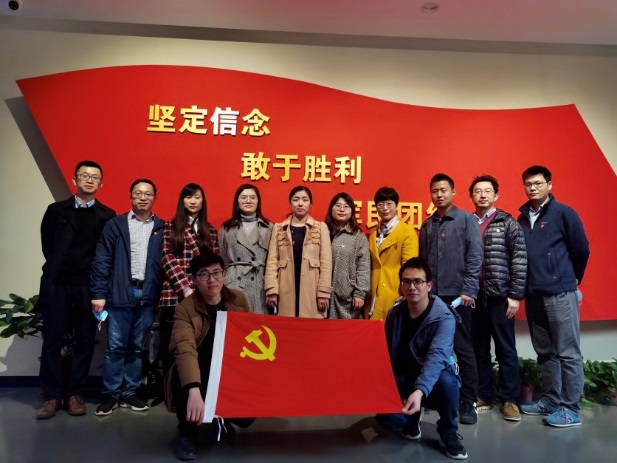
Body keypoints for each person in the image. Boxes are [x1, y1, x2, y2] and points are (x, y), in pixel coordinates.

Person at [36, 160, 115, 419]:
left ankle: (74, 394)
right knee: (53, 339)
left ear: (101, 183)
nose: (89, 180)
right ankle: (52, 395)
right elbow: (48, 246)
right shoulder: (56, 210)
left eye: (95, 177)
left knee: (84, 340)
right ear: (74, 180)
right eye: (84, 175)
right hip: (58, 283)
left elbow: (107, 253)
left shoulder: (107, 214)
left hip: (88, 284)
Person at [517, 165, 590, 427]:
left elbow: (581, 249)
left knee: (568, 353)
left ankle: (571, 409)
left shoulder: (564, 213)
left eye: (538, 183)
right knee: (545, 352)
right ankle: (550, 400)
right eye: (528, 184)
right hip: (534, 294)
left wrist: (571, 278)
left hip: (560, 293)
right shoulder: (522, 218)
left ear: (549, 185)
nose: (532, 188)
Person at [376, 257, 468, 460]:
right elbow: (387, 352)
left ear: (429, 286)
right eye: (407, 281)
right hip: (405, 375)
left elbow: (437, 357)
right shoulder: (395, 313)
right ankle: (411, 420)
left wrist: (419, 391)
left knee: (448, 381)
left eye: (418, 281)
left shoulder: (444, 317)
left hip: (434, 377)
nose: (412, 287)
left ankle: (448, 431)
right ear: (401, 285)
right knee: (389, 421)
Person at [168, 251, 253, 461]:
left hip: (226, 368)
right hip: (198, 366)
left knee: (247, 417)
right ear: (194, 279)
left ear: (224, 274)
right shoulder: (185, 309)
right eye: (204, 274)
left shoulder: (238, 299)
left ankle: (222, 416)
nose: (211, 280)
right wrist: (193, 389)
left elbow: (249, 336)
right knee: (183, 379)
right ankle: (187, 431)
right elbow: (185, 349)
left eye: (216, 273)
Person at [90, 179, 164, 416]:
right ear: (131, 196)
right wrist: (98, 294)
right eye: (138, 193)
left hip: (148, 295)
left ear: (154, 198)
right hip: (120, 293)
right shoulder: (116, 225)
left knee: (137, 348)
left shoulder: (162, 228)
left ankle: (131, 392)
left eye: (148, 194)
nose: (143, 197)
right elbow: (102, 260)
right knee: (115, 347)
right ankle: (111, 395)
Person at [419, 173, 483, 425]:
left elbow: (475, 256)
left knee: (463, 347)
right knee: (431, 348)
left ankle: (469, 401)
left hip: (459, 297)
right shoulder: (427, 225)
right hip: (432, 297)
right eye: (435, 191)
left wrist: (469, 290)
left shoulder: (466, 219)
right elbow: (423, 263)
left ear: (453, 192)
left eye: (443, 190)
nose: (439, 195)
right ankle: (434, 396)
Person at [468, 175, 527, 421]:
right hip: (473, 296)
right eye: (478, 191)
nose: (482, 195)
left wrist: (514, 295)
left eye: (487, 191)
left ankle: (510, 400)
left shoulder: (508, 222)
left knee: (505, 349)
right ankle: (482, 395)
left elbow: (519, 259)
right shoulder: (466, 222)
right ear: (471, 196)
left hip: (499, 296)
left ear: (496, 195)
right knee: (478, 349)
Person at [159, 183, 218, 380]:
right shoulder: (171, 225)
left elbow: (214, 262)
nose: (193, 201)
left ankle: (197, 387)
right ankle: (171, 390)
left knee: (200, 344)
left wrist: (205, 288)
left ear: (203, 201)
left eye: (197, 197)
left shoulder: (210, 230)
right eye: (189, 197)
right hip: (174, 293)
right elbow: (167, 257)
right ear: (182, 201)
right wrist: (184, 287)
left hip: (203, 294)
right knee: (173, 345)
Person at [264, 186, 332, 318]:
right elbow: (272, 261)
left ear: (310, 204)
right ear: (290, 204)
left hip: (312, 291)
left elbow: (326, 263)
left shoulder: (321, 227)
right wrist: (271, 290)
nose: (300, 203)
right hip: (285, 289)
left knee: (310, 328)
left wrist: (323, 292)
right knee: (286, 327)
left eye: (305, 200)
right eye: (296, 200)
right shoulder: (279, 228)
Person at [367, 186, 419, 321]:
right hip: (373, 292)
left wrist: (406, 292)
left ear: (396, 206)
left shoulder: (407, 231)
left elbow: (410, 266)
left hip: (395, 291)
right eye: (380, 204)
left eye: (389, 204)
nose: (385, 208)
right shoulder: (373, 233)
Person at [219, 184, 272, 314]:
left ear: (258, 201)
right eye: (243, 197)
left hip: (259, 283)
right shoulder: (227, 228)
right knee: (235, 321)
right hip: (234, 281)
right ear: (237, 201)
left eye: (252, 197)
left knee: (259, 323)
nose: (248, 201)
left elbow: (273, 259)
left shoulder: (269, 227)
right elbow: (223, 259)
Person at [324, 192, 370, 319]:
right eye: (338, 205)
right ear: (331, 209)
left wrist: (360, 293)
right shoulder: (322, 232)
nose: (342, 209)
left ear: (352, 211)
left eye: (346, 206)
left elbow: (364, 267)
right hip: (322, 298)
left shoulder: (358, 236)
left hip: (347, 299)